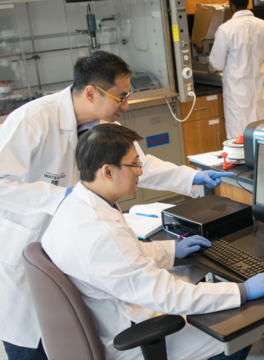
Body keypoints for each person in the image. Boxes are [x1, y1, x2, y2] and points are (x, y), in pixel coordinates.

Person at [0, 51, 234, 359]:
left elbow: (138, 165)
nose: (125, 106)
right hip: (31, 244)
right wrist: (60, 198)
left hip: (75, 251)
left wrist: (193, 178)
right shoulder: (33, 121)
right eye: (120, 98)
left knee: (81, 331)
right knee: (39, 340)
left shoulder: (102, 127)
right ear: (91, 93)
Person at [41, 124, 264, 360]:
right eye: (135, 164)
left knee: (194, 272)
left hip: (112, 306)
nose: (140, 172)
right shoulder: (101, 233)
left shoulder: (79, 203)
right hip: (132, 333)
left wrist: (171, 250)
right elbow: (166, 294)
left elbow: (126, 254)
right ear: (107, 171)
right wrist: (242, 291)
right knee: (239, 331)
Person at [208, 0, 264, 139]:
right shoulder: (262, 25)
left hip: (237, 95)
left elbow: (216, 64)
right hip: (257, 92)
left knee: (239, 141)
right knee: (259, 138)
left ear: (231, 5)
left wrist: (208, 62)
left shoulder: (226, 29)